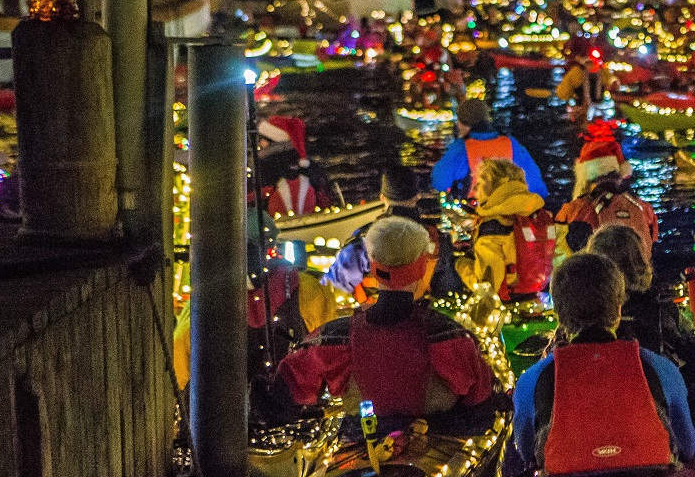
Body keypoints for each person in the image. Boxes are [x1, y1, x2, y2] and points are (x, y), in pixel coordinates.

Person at [277, 217, 499, 430]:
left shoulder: (335, 337)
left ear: (374, 267)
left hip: (364, 450)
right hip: (435, 449)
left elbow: (287, 387)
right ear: (422, 268)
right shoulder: (450, 336)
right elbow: (480, 404)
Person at [511, 252, 695, 477]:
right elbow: (688, 446)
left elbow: (525, 452)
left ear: (559, 313)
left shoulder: (532, 379)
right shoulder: (662, 369)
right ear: (618, 309)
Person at [173, 208, 340, 406]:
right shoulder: (309, 289)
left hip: (225, 419)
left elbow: (180, 370)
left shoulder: (205, 302)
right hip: (292, 410)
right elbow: (329, 355)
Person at [586, 225, 695, 425]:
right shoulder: (659, 312)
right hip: (654, 420)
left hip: (593, 419)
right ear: (640, 263)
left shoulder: (580, 317)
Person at [323, 165, 460, 300]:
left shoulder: (365, 239)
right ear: (417, 196)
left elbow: (335, 286)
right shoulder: (438, 240)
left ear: (382, 197)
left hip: (373, 317)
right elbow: (448, 288)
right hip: (420, 317)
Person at [455, 157, 552, 301]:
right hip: (540, 299)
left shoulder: (493, 225)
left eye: (479, 184)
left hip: (506, 303)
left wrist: (462, 265)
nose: (474, 190)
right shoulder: (540, 215)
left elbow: (487, 287)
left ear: (495, 186)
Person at [429, 98, 547, 199]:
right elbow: (536, 186)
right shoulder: (511, 144)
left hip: (476, 211)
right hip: (509, 209)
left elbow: (439, 182)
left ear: (461, 124)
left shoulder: (460, 149)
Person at [557, 137, 658, 254]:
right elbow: (651, 244)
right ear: (619, 174)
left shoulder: (574, 210)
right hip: (638, 271)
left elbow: (558, 253)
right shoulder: (645, 209)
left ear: (583, 177)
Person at [257, 115, 333, 216]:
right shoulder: (304, 160)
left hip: (277, 213)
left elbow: (262, 188)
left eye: (262, 138)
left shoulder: (267, 162)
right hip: (309, 210)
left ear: (272, 139)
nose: (260, 142)